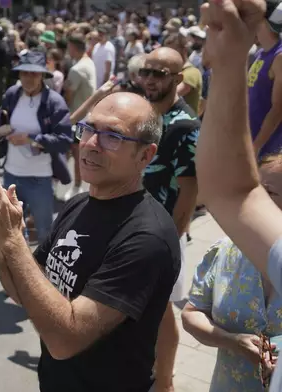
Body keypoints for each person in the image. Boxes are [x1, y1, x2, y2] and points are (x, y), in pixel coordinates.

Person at [0, 92, 179, 391]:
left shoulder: (146, 238)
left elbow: (65, 340)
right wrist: (0, 240)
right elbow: (24, 292)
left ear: (145, 155)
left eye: (113, 136)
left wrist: (14, 242)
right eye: (89, 129)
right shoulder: (78, 204)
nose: (91, 144)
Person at [182, 153, 282, 392]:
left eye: (268, 194)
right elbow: (192, 313)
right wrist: (232, 342)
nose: (254, 202)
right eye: (255, 191)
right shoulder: (226, 249)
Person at [139, 47, 201, 391]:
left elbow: (190, 192)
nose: (149, 79)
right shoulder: (144, 113)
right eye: (145, 71)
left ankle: (164, 382)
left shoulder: (185, 126)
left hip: (162, 232)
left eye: (159, 73)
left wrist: (171, 241)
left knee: (160, 310)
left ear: (177, 80)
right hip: (133, 224)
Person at [0, 50, 72, 244]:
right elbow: (0, 117)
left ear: (42, 76)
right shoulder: (13, 94)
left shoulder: (54, 102)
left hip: (40, 177)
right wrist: (2, 130)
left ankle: (45, 271)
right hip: (11, 173)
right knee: (11, 228)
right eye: (24, 73)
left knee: (45, 229)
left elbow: (64, 139)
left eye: (34, 73)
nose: (28, 78)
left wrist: (30, 139)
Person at [63, 34, 97, 200]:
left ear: (74, 47)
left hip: (77, 119)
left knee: (76, 154)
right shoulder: (88, 62)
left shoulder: (76, 70)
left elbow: (68, 95)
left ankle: (76, 186)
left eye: (69, 47)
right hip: (86, 116)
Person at [248, 18, 282, 158]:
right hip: (250, 142)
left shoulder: (279, 57)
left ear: (264, 23)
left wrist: (257, 146)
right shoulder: (260, 53)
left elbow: (278, 108)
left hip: (267, 150)